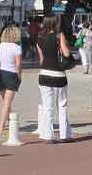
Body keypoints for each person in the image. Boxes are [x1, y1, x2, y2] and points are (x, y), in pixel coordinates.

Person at [36, 15, 72, 144]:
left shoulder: (39, 38)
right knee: (62, 105)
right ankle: (64, 134)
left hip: (44, 74)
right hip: (58, 75)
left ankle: (48, 136)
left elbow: (41, 60)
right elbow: (66, 53)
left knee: (47, 106)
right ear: (55, 23)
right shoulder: (59, 35)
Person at [0, 25, 22, 135]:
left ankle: (12, 122)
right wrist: (19, 76)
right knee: (7, 103)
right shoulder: (16, 47)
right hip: (11, 74)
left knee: (6, 101)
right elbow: (18, 64)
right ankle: (1, 128)